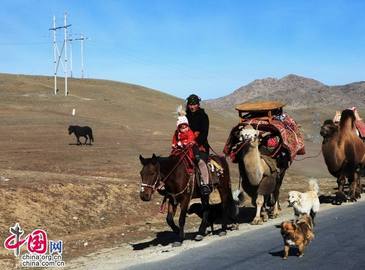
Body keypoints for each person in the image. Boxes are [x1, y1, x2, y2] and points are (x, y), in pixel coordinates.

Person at [185, 94, 211, 195]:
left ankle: (205, 184)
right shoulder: (185, 116)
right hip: (186, 144)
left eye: (194, 104)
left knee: (200, 162)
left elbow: (205, 133)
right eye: (190, 104)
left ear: (198, 104)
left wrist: (195, 141)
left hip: (200, 145)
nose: (192, 107)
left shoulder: (203, 116)